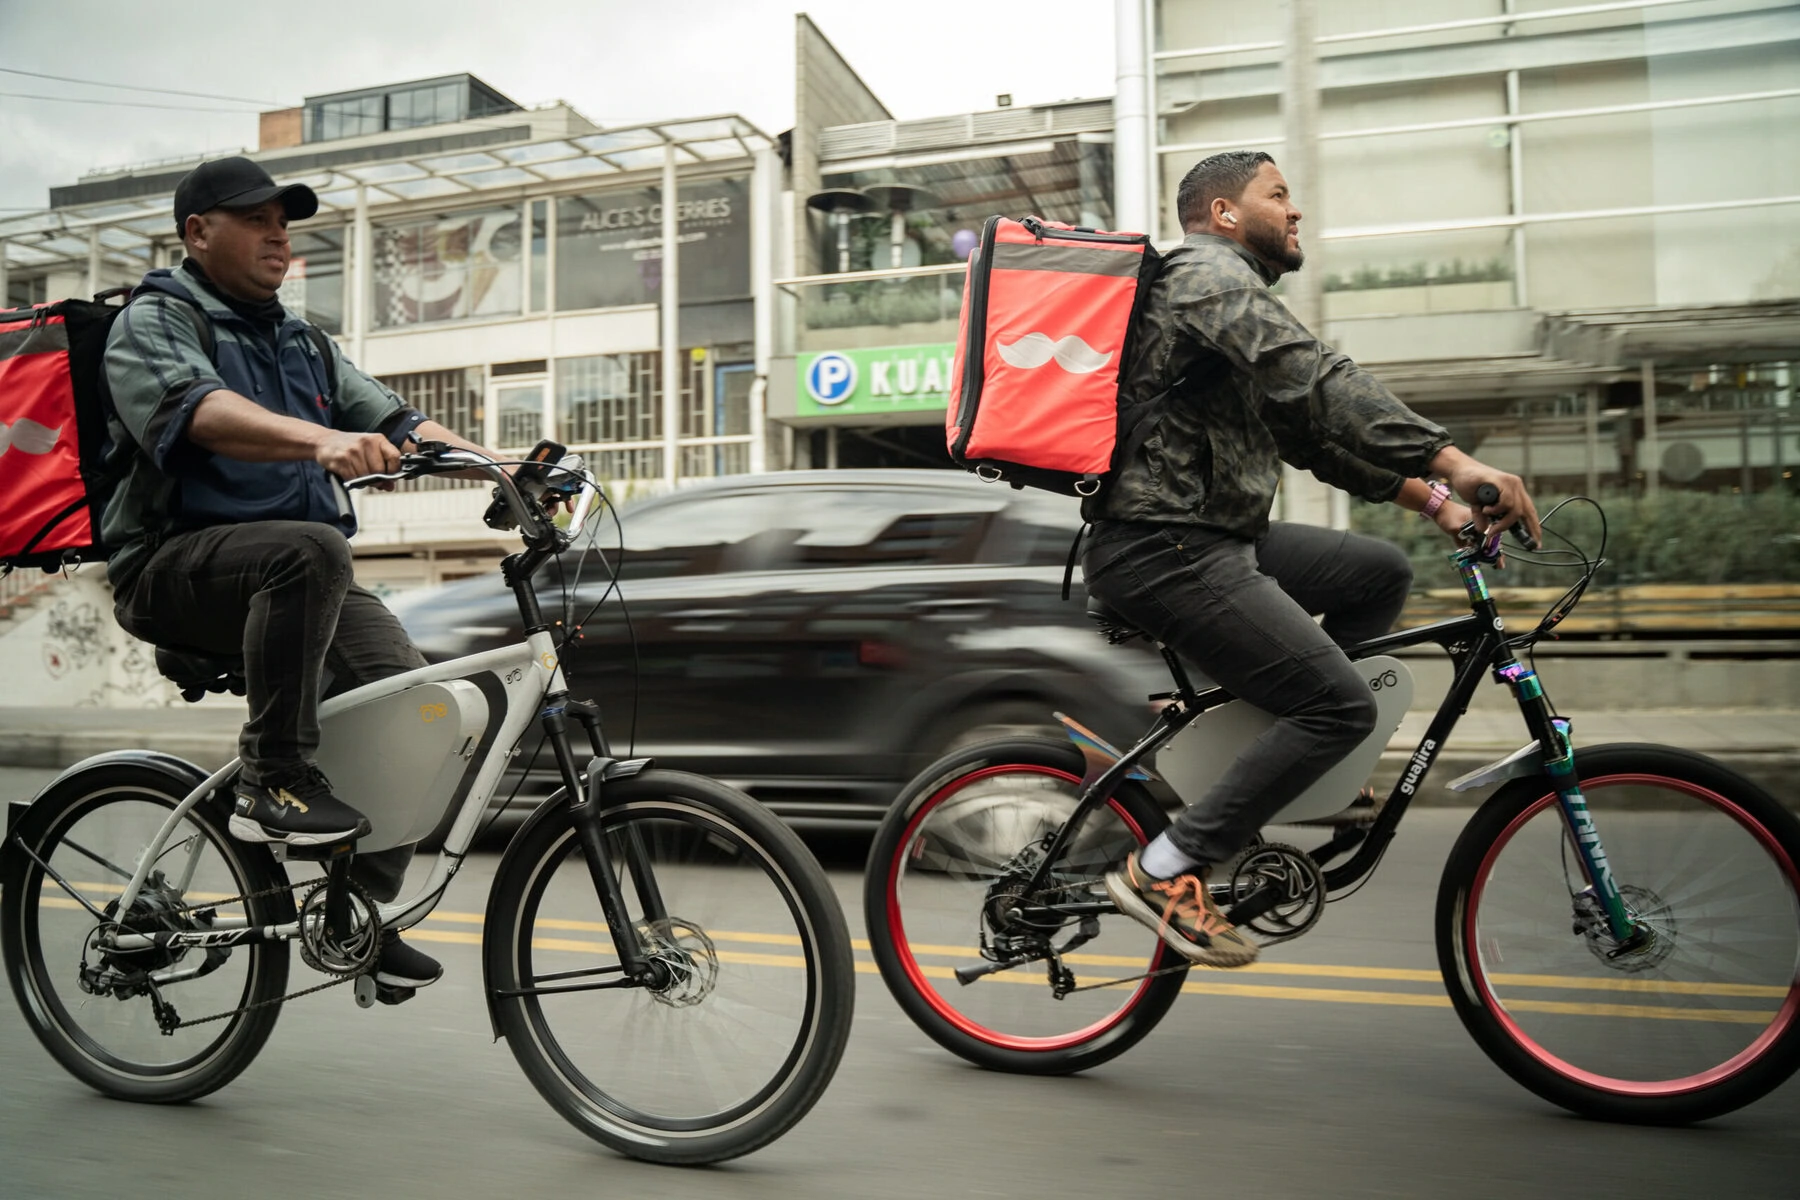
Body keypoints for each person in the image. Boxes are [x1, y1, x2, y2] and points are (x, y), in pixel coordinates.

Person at [1087, 150, 1541, 969]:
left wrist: (1437, 504)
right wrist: (1454, 461)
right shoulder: (1205, 278)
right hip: (1163, 545)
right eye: (1279, 195)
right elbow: (1321, 380)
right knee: (1338, 706)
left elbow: (1315, 439)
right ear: (1224, 213)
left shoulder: (1227, 307)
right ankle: (1164, 867)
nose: (1296, 212)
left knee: (1378, 574)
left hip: (1213, 536)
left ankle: (1306, 769)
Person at [101, 156, 520, 997]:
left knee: (422, 718)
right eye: (254, 219)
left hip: (294, 576)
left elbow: (400, 419)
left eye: (283, 221)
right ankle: (272, 779)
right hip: (174, 567)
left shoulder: (303, 343)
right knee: (312, 546)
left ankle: (352, 919)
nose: (277, 235)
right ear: (197, 233)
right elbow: (198, 413)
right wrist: (319, 441)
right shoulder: (155, 322)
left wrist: (500, 464)